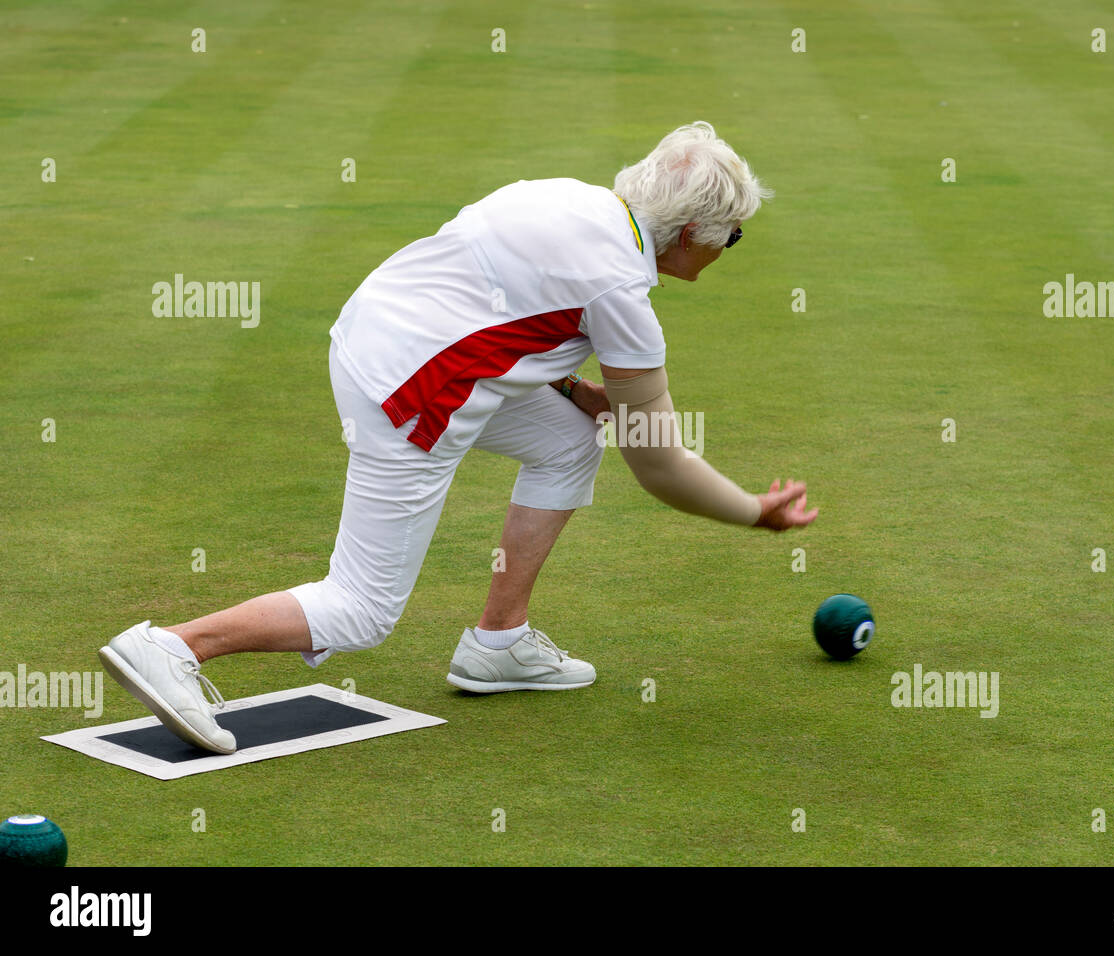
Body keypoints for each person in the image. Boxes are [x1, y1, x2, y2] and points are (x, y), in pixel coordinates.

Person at [98, 121, 818, 754]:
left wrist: (571, 389)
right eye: (734, 235)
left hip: (370, 335)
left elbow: (488, 309)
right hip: (410, 392)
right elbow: (660, 466)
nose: (731, 248)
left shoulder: (566, 196)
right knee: (361, 609)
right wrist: (753, 512)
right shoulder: (622, 294)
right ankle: (173, 647)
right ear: (695, 233)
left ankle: (497, 644)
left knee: (568, 438)